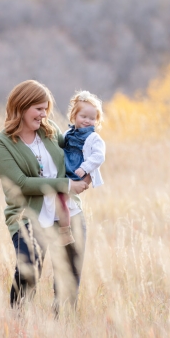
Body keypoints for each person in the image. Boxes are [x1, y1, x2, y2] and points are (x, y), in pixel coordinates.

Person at [0, 80, 90, 312]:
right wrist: (66, 185)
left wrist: (92, 146)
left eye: (46, 109)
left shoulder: (49, 130)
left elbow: (74, 146)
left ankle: (62, 330)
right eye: (39, 109)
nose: (44, 114)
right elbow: (21, 184)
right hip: (29, 217)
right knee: (28, 274)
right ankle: (16, 327)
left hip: (68, 215)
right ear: (21, 107)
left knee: (68, 279)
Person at [55, 90, 106, 246]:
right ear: (74, 116)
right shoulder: (68, 133)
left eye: (92, 118)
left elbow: (99, 156)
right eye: (83, 117)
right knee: (59, 197)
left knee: (62, 196)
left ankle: (65, 232)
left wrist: (84, 168)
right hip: (66, 171)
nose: (87, 121)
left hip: (78, 172)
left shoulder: (94, 138)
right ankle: (61, 226)